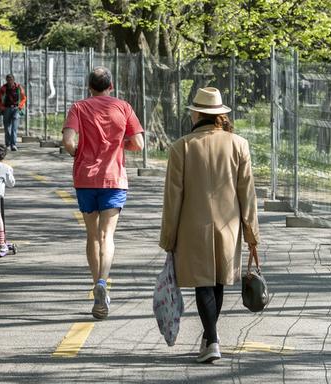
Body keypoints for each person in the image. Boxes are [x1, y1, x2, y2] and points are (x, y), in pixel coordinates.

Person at [158, 87, 260, 363]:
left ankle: (212, 339)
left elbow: (173, 197)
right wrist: (251, 234)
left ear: (197, 113)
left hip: (193, 226)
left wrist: (168, 238)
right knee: (218, 283)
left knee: (203, 283)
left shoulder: (182, 147)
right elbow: (246, 193)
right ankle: (209, 338)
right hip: (230, 225)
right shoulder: (239, 144)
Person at [62, 66, 144, 320]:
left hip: (85, 178)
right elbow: (138, 144)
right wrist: (121, 145)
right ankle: (103, 283)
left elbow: (68, 142)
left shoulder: (78, 107)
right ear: (111, 86)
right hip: (114, 178)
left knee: (92, 235)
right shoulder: (123, 107)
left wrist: (80, 153)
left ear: (90, 87)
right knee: (107, 235)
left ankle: (95, 281)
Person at [0, 74, 27, 151]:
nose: (9, 81)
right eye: (8, 80)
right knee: (7, 129)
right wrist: (1, 107)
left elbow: (24, 98)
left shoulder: (18, 87)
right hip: (6, 109)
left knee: (14, 128)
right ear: (6, 80)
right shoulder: (3, 88)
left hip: (16, 109)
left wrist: (20, 106)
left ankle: (13, 145)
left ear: (13, 80)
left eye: (11, 80)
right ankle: (7, 144)